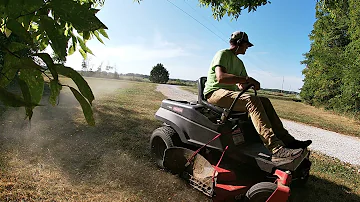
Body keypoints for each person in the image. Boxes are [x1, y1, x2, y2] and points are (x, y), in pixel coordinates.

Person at [203, 31, 312, 160]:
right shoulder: (222, 54)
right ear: (239, 43)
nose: (247, 48)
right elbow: (221, 77)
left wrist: (250, 84)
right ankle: (275, 148)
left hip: (228, 94)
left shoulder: (239, 63)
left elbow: (241, 85)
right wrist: (247, 79)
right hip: (214, 93)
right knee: (251, 100)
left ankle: (288, 141)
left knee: (264, 101)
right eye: (246, 45)